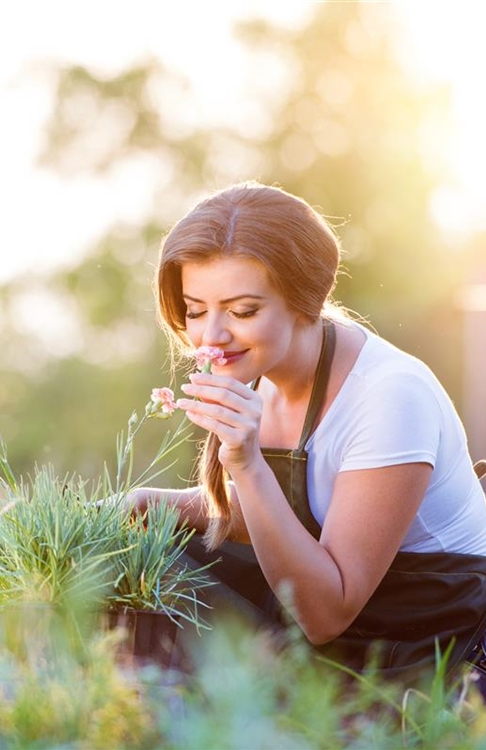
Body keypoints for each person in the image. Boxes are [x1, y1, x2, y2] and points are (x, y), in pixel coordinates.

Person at [129, 180, 486, 681]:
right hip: (334, 608)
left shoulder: (390, 396)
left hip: (425, 639)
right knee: (141, 562)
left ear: (305, 301)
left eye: (242, 311)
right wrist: (147, 503)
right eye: (195, 310)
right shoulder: (258, 368)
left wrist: (246, 463)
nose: (212, 335)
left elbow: (325, 614)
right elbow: (289, 514)